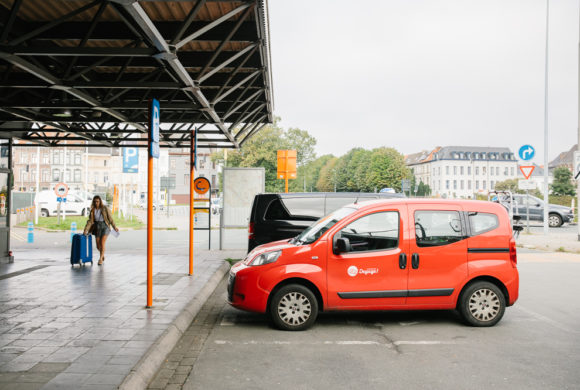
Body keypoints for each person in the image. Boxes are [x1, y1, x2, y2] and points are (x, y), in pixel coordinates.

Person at [83, 195, 118, 265]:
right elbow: (90, 221)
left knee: (102, 243)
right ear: (93, 202)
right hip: (97, 227)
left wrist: (114, 227)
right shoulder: (92, 210)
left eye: (98, 201)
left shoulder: (105, 208)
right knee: (98, 246)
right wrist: (86, 230)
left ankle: (100, 259)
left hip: (105, 226)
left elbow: (110, 218)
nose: (96, 203)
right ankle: (102, 255)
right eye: (95, 201)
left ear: (100, 201)